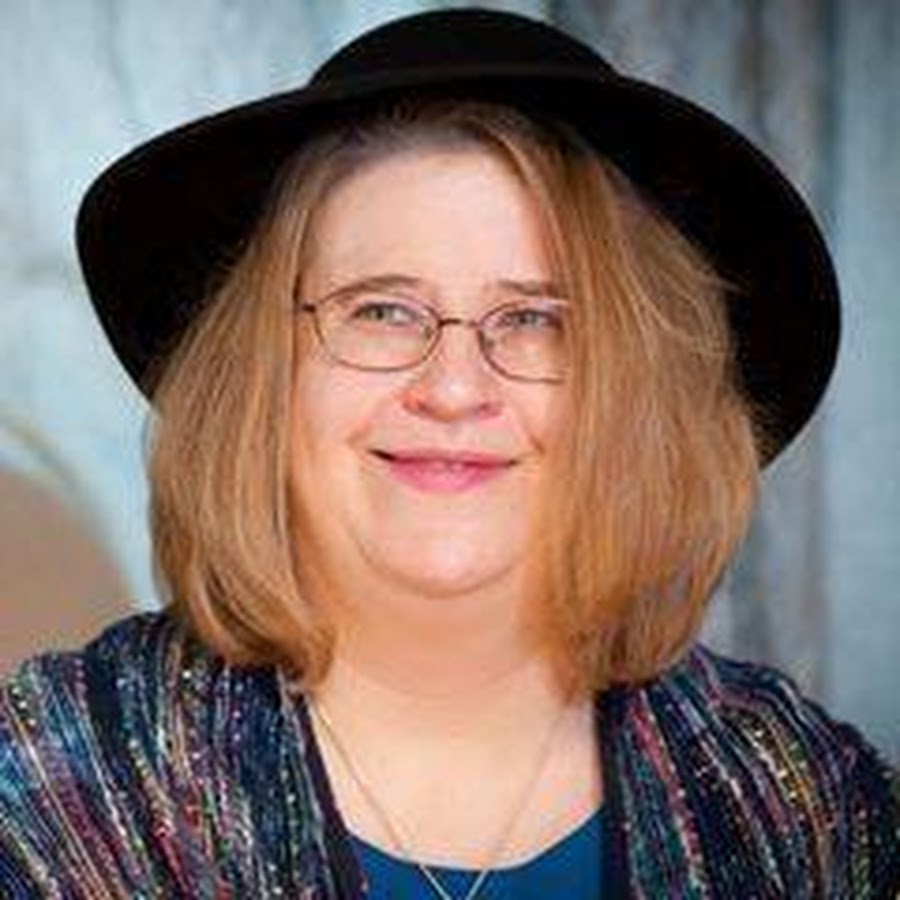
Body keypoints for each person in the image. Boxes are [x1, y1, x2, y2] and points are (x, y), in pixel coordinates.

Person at [0, 8, 897, 899]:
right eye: (381, 311)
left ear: (641, 397)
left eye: (536, 320)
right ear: (261, 376)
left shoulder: (814, 816)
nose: (455, 389)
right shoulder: (48, 795)